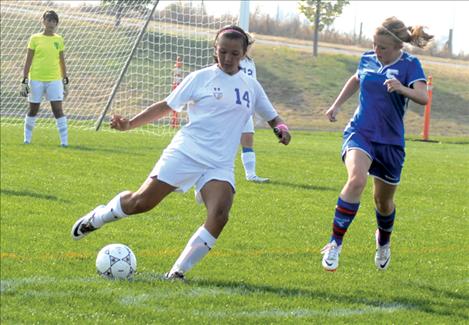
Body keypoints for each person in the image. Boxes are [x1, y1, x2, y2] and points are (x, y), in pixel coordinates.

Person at [71, 25, 291, 280]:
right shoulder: (200, 78)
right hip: (187, 152)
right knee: (141, 203)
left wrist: (282, 129)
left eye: (234, 53)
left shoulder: (251, 86)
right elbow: (167, 105)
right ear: (215, 50)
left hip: (219, 163)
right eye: (223, 52)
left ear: (244, 54)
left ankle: (178, 272)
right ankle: (98, 217)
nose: (228, 59)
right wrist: (130, 124)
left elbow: (273, 117)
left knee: (219, 215)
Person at [320, 17, 433, 272]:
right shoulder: (367, 58)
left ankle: (383, 240)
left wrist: (402, 88)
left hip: (391, 142)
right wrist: (336, 105)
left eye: (382, 47)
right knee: (356, 180)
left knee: (383, 203)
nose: (377, 51)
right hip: (361, 132)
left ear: (397, 48)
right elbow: (356, 79)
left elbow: (423, 97)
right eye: (374, 44)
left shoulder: (410, 65)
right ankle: (334, 244)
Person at [21, 10, 69, 147]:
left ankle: (64, 143)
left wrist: (65, 81)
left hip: (54, 80)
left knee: (58, 110)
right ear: (43, 21)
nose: (51, 23)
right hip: (36, 79)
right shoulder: (34, 38)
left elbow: (62, 62)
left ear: (56, 23)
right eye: (49, 20)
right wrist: (24, 79)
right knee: (33, 110)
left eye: (54, 21)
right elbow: (28, 60)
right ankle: (27, 140)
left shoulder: (59, 39)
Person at [238, 35, 269, 183]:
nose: (249, 47)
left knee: (248, 138)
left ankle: (251, 175)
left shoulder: (250, 63)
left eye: (250, 44)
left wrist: (256, 107)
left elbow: (254, 85)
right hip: (230, 107)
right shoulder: (232, 59)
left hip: (246, 107)